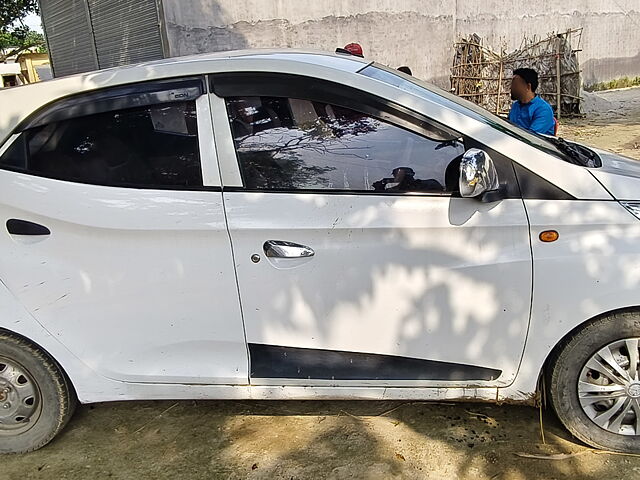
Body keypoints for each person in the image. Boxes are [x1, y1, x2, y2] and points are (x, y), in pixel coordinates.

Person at [508, 68, 555, 135]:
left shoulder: (543, 109)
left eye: (515, 84)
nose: (511, 88)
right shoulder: (516, 105)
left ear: (528, 86)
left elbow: (531, 137)